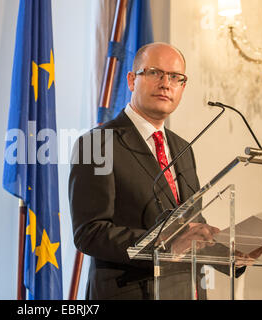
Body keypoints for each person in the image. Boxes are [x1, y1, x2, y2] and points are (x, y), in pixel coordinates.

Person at [68, 42, 220, 300]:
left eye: (175, 77)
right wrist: (165, 244)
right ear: (131, 80)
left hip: (184, 290)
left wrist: (231, 251)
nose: (165, 83)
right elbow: (89, 232)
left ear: (183, 87)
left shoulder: (183, 148)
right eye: (154, 73)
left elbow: (192, 224)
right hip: (128, 292)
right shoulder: (96, 144)